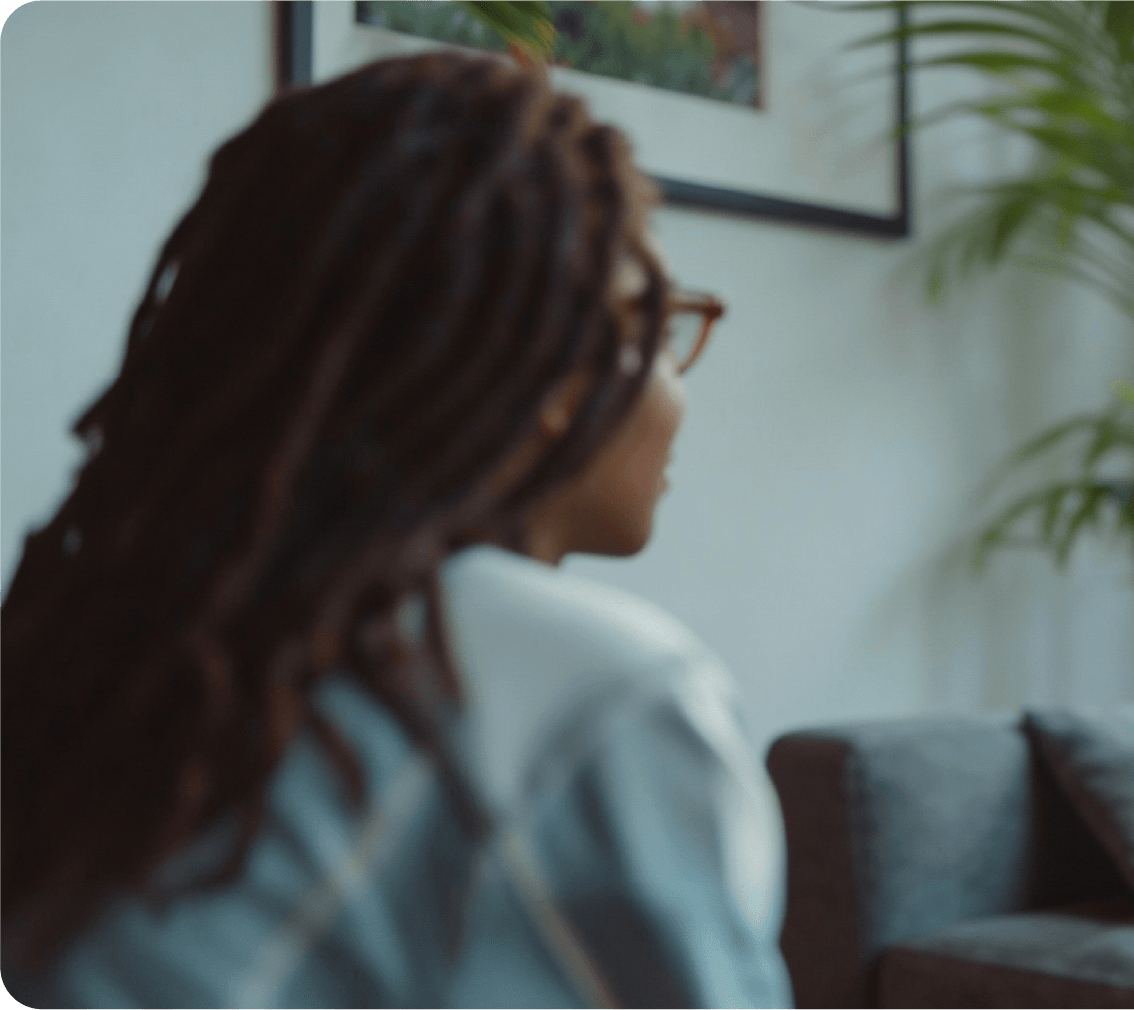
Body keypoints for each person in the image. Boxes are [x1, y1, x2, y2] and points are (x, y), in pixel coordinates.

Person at [0, 50, 790, 1009]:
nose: (677, 386)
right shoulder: (597, 696)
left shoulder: (127, 647)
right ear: (557, 371)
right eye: (662, 328)